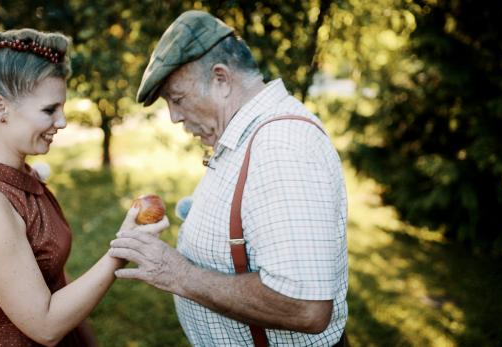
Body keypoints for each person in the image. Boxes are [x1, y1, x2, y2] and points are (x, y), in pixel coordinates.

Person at [110, 10, 349, 347]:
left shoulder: (282, 146)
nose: (174, 117)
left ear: (221, 79)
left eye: (177, 99)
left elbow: (306, 307)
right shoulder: (248, 134)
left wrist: (177, 273)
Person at [0, 28, 168, 346]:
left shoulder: (21, 176)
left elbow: (54, 281)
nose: (62, 122)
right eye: (49, 110)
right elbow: (46, 327)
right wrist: (122, 250)